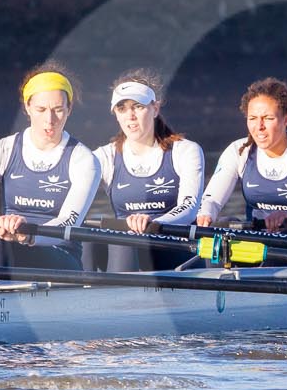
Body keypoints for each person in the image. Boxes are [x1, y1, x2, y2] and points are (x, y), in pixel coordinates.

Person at [0, 62, 99, 271]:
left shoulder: (83, 160)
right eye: (41, 109)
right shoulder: (2, 149)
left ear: (69, 109)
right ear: (27, 107)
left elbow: (68, 222)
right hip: (9, 246)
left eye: (58, 110)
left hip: (61, 256)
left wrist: (27, 234)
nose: (50, 120)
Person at [86, 69, 206, 272]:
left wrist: (154, 221)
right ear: (116, 114)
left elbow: (190, 206)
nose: (130, 116)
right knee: (89, 232)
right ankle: (83, 294)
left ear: (155, 108)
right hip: (127, 248)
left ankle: (122, 296)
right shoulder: (104, 157)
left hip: (173, 247)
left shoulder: (185, 150)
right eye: (122, 109)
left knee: (123, 238)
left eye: (138, 107)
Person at [195, 77, 287, 239]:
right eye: (252, 118)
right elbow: (212, 199)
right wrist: (206, 214)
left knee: (286, 233)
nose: (259, 127)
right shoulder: (239, 151)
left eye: (268, 118)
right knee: (225, 225)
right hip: (256, 244)